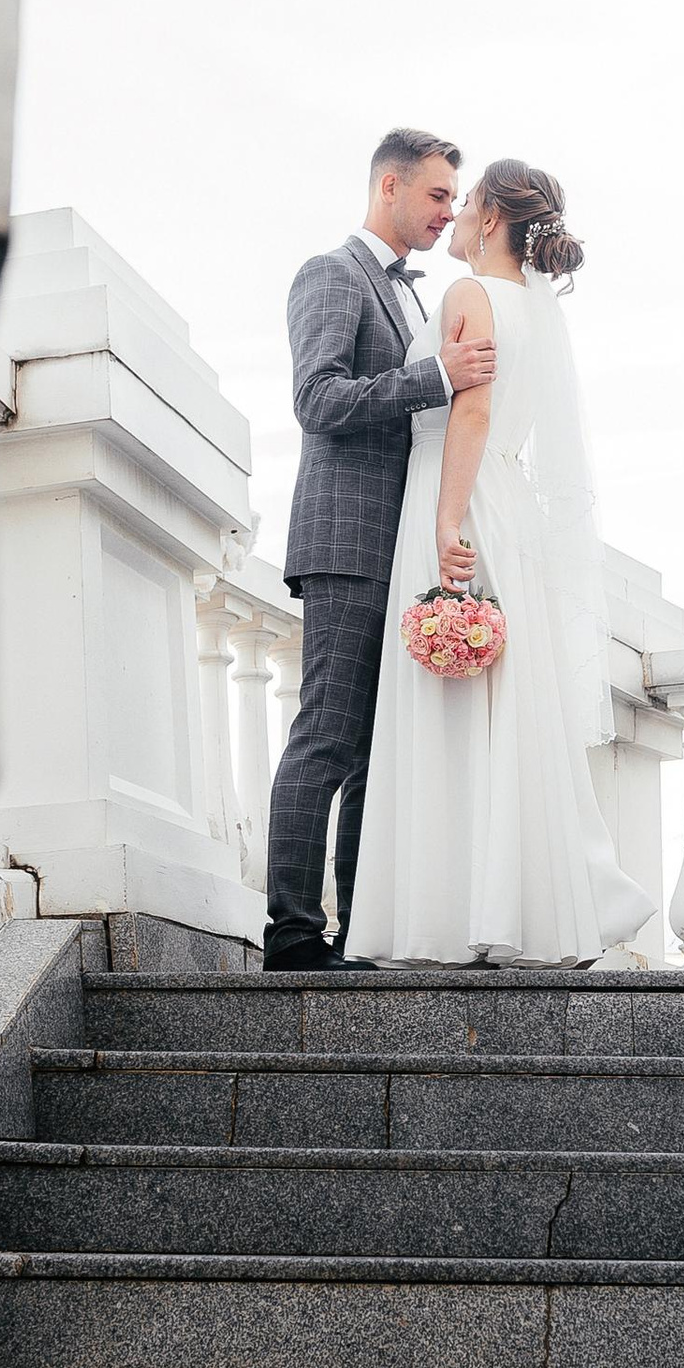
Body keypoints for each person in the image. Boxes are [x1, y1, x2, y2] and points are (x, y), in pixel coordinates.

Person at [342, 159, 652, 966]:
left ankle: (448, 913)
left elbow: (470, 410)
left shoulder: (470, 296)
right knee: (505, 707)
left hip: (461, 498)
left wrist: (446, 519)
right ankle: (518, 908)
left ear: (489, 221)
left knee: (450, 708)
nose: (458, 211)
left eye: (467, 199)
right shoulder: (534, 311)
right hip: (505, 503)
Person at [263, 128, 496, 971]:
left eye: (453, 199)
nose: (448, 213)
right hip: (345, 536)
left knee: (371, 749)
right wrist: (438, 377)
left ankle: (357, 929)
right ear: (388, 185)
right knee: (326, 735)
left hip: (395, 544)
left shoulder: (407, 295)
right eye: (437, 195)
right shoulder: (330, 273)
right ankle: (291, 933)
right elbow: (317, 400)